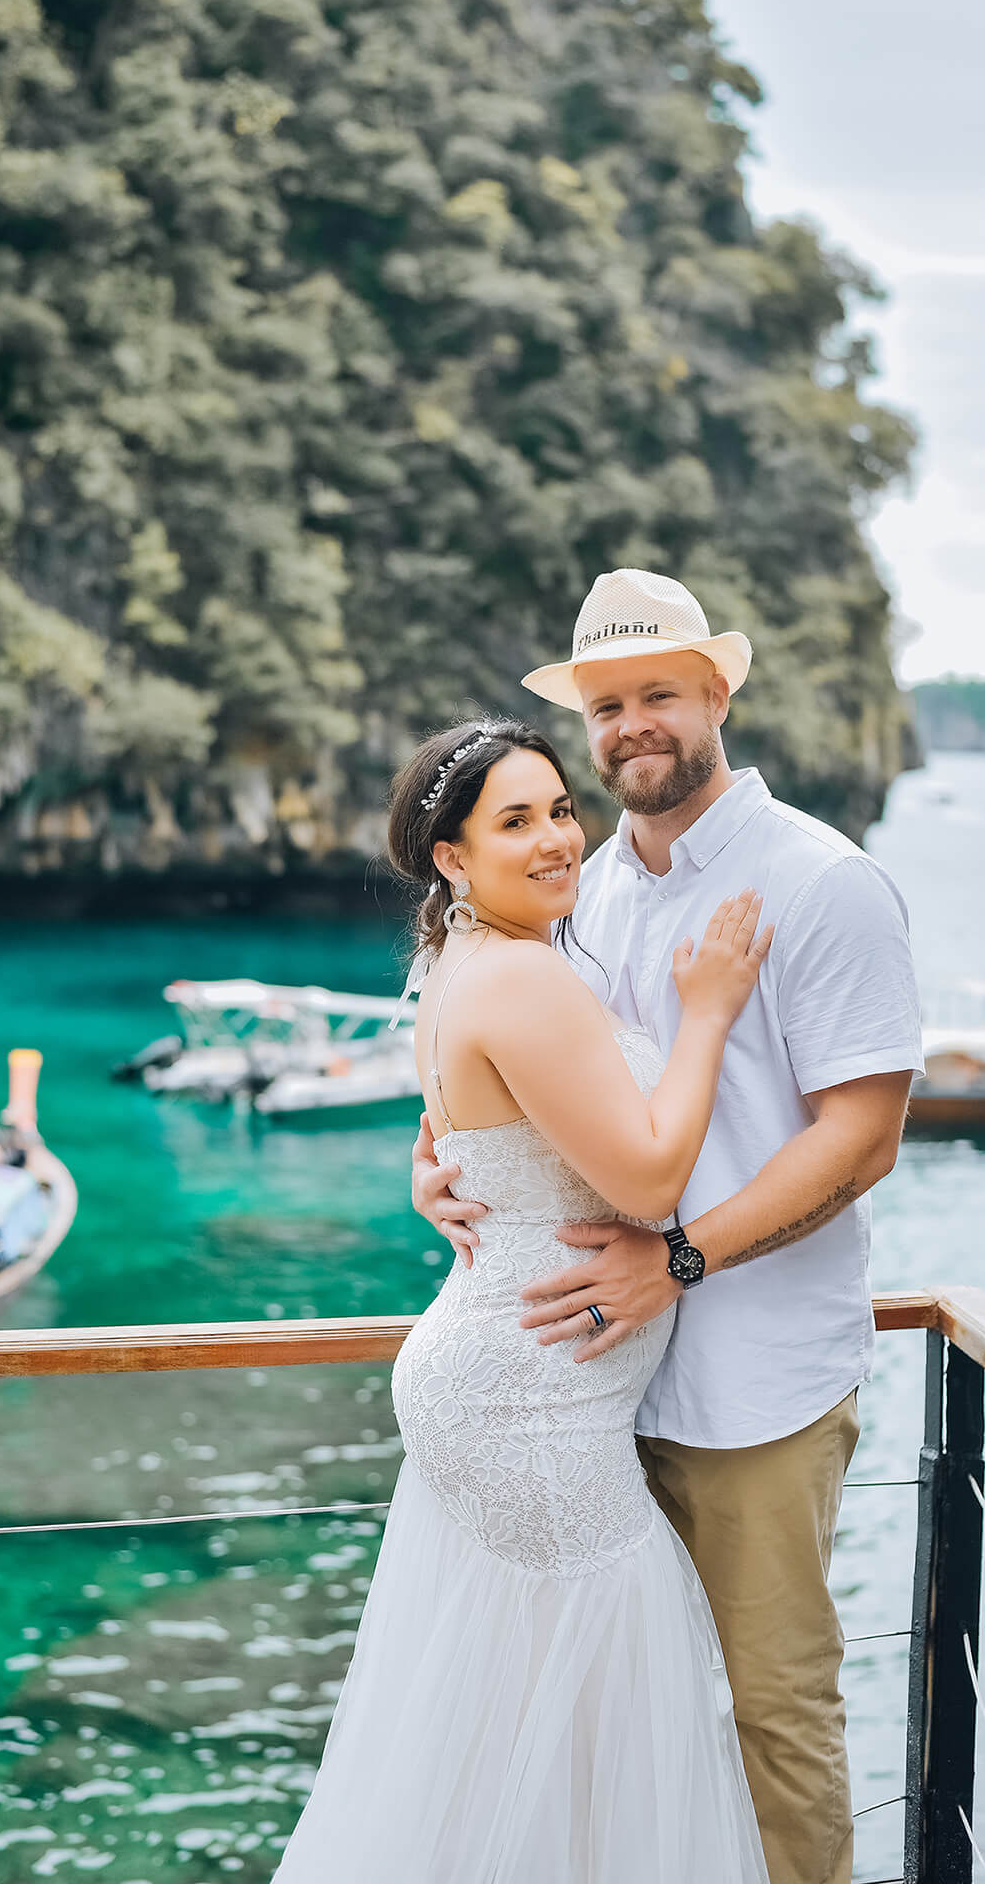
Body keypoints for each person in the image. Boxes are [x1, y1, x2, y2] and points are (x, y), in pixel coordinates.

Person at [413, 568, 923, 1884]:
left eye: (656, 694)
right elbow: (524, 1080)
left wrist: (679, 1258)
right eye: (605, 705)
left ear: (717, 692)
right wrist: (434, 1163)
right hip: (589, 1395)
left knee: (771, 1720)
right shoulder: (586, 889)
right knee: (600, 1724)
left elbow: (859, 1135)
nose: (631, 723)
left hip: (753, 1384)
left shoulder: (822, 884)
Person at [275, 717, 772, 1884]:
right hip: (532, 1401)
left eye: (559, 806)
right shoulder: (523, 974)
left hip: (498, 1376)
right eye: (515, 820)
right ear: (450, 856)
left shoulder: (455, 967)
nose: (557, 837)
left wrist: (430, 1174)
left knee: (503, 1729)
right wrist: (704, 1011)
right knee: (595, 1714)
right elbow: (647, 1176)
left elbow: (472, 1144)